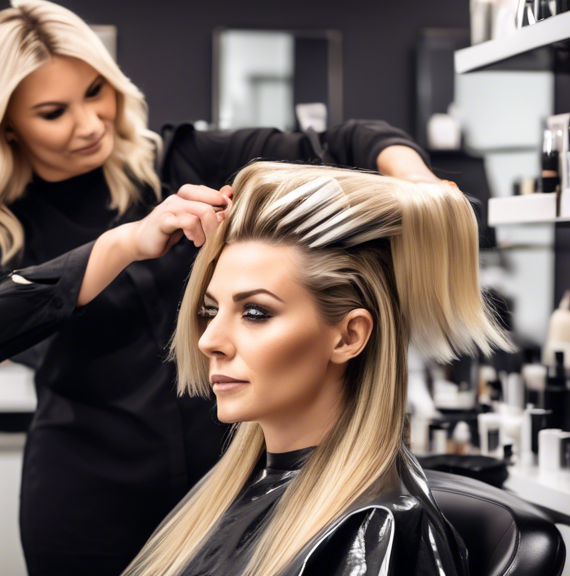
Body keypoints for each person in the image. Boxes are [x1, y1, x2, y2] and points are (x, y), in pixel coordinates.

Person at [0, 1, 441, 572]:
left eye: (95, 91)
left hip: (226, 484)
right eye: (54, 112)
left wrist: (420, 184)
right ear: (5, 123)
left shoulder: (181, 159)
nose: (89, 123)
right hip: (87, 502)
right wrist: (126, 242)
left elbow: (349, 142)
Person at [123, 162, 513, 576]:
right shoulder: (225, 491)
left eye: (255, 312)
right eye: (210, 310)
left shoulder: (374, 530)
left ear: (348, 337)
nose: (208, 341)